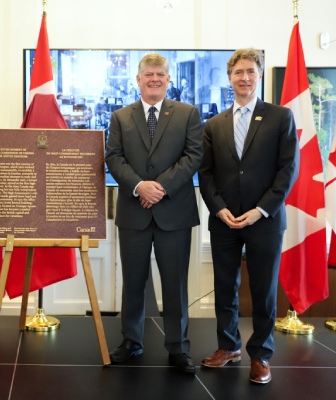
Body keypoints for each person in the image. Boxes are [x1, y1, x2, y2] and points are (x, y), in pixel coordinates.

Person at [198, 48, 299, 384]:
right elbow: (206, 174)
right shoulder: (213, 124)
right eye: (238, 72)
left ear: (259, 75)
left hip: (265, 221)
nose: (244, 78)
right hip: (224, 220)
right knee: (224, 286)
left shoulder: (280, 117)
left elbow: (288, 170)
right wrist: (219, 208)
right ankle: (229, 347)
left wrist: (260, 210)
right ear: (230, 78)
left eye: (250, 72)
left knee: (263, 290)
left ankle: (261, 355)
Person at [105, 53, 203, 374]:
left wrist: (158, 187)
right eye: (149, 74)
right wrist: (138, 187)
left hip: (173, 211)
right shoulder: (120, 116)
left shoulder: (187, 114)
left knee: (175, 284)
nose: (155, 79)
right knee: (133, 281)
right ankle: (132, 342)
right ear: (138, 79)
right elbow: (114, 158)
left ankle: (178, 347)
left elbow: (193, 156)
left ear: (169, 79)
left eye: (161, 74)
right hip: (134, 212)